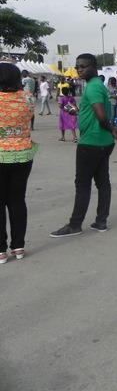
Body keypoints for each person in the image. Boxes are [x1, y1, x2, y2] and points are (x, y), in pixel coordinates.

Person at [50, 53, 117, 237]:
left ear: (94, 67)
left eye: (84, 66)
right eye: (78, 67)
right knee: (102, 181)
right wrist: (79, 112)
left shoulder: (92, 87)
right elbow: (94, 111)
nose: (80, 70)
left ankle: (75, 225)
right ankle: (101, 221)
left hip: (92, 142)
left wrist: (112, 129)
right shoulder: (97, 85)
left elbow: (101, 116)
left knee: (82, 184)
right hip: (103, 142)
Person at [0, 63, 39, 264]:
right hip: (22, 155)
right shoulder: (28, 98)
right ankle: (18, 247)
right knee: (17, 201)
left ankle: (0, 250)